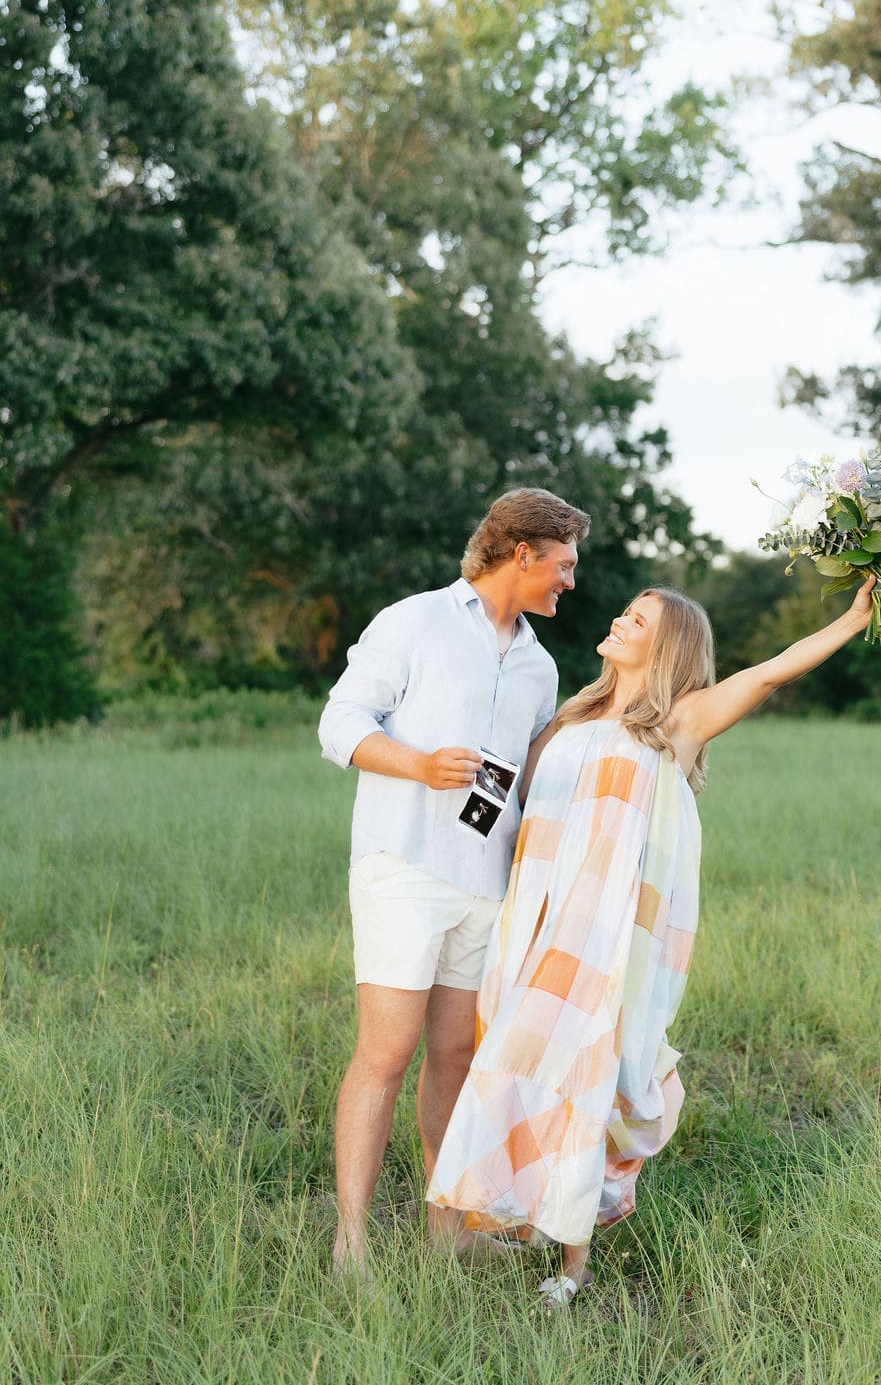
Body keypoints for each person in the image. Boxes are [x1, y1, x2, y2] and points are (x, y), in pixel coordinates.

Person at [427, 574, 881, 1306]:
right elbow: (497, 805)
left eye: (638, 619)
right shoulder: (565, 721)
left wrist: (849, 619)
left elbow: (769, 672)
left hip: (606, 940)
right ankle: (492, 1220)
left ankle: (571, 1265)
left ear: (666, 645)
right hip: (532, 927)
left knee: (586, 1075)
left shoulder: (673, 724)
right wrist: (442, 853)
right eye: (626, 611)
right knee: (512, 1062)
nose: (619, 619)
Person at [318, 487, 591, 1278]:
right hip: (404, 866)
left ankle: (449, 1229)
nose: (569, 583)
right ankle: (352, 1245)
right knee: (388, 1050)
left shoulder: (539, 666)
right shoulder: (416, 621)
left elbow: (532, 775)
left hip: (485, 882)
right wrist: (419, 765)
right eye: (564, 566)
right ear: (522, 554)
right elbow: (339, 723)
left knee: (455, 1056)